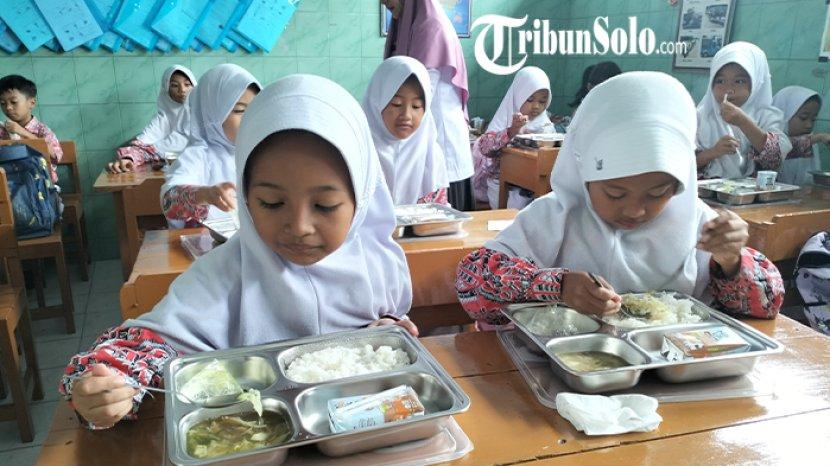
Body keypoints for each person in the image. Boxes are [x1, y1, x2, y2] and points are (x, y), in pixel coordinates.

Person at [59, 75, 416, 429]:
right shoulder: (225, 274)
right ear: (245, 198)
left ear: (362, 198)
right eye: (271, 202)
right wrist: (108, 386)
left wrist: (385, 331)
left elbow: (385, 322)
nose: (299, 227)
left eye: (325, 205)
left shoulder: (377, 260)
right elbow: (147, 346)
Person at [455, 72, 784, 330]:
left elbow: (767, 304)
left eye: (657, 193)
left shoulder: (696, 221)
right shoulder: (556, 215)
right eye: (615, 193)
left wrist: (731, 261)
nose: (635, 210)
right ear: (585, 174)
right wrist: (557, 285)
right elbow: (472, 285)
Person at [383, 0, 475, 210]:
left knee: (440, 224)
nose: (382, 1)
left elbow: (420, 93)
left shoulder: (431, 27)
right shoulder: (408, 26)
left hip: (442, 149)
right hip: (420, 145)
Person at [160, 64, 260, 228]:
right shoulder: (199, 156)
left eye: (255, 109)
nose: (250, 118)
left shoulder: (260, 154)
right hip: (211, 241)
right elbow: (169, 201)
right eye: (239, 111)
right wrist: (205, 195)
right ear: (212, 113)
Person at [695, 42, 791, 179]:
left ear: (756, 82)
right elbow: (681, 163)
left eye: (739, 81)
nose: (729, 89)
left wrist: (743, 122)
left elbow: (774, 160)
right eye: (720, 81)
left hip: (752, 191)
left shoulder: (768, 116)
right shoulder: (700, 116)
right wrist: (713, 152)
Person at [362, 56, 449, 205]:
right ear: (376, 102)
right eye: (396, 104)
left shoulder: (431, 155)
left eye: (416, 106)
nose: (407, 115)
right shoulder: (360, 150)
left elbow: (437, 211)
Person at [472, 66, 552, 209]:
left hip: (534, 188)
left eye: (542, 101)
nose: (536, 106)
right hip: (502, 186)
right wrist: (513, 130)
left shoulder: (545, 124)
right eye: (530, 99)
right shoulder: (505, 118)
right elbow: (485, 148)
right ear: (518, 96)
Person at [107, 65, 197, 173]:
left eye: (187, 84)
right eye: (174, 85)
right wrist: (129, 158)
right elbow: (143, 143)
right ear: (166, 89)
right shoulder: (163, 119)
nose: (182, 90)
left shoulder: (202, 114)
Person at [0, 74, 63, 183]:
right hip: (9, 185)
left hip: (42, 187)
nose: (8, 107)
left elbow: (55, 156)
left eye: (14, 102)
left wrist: (23, 132)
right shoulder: (2, 131)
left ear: (31, 103)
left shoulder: (42, 130)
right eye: (2, 103)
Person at [771, 86, 828, 185]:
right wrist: (818, 138)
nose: (809, 125)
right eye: (803, 118)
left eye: (813, 119)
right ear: (784, 114)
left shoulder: (810, 144)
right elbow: (779, 150)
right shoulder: (763, 137)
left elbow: (811, 181)